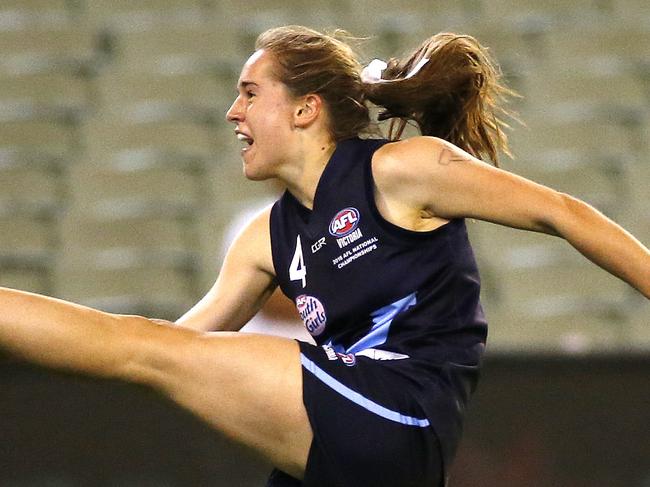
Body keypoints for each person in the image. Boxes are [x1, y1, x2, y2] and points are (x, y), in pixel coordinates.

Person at [0, 25, 648, 487]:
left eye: (251, 92)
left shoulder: (401, 171)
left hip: (400, 415)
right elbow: (169, 348)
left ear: (307, 108)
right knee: (148, 352)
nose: (232, 111)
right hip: (352, 439)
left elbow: (563, 211)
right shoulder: (266, 238)